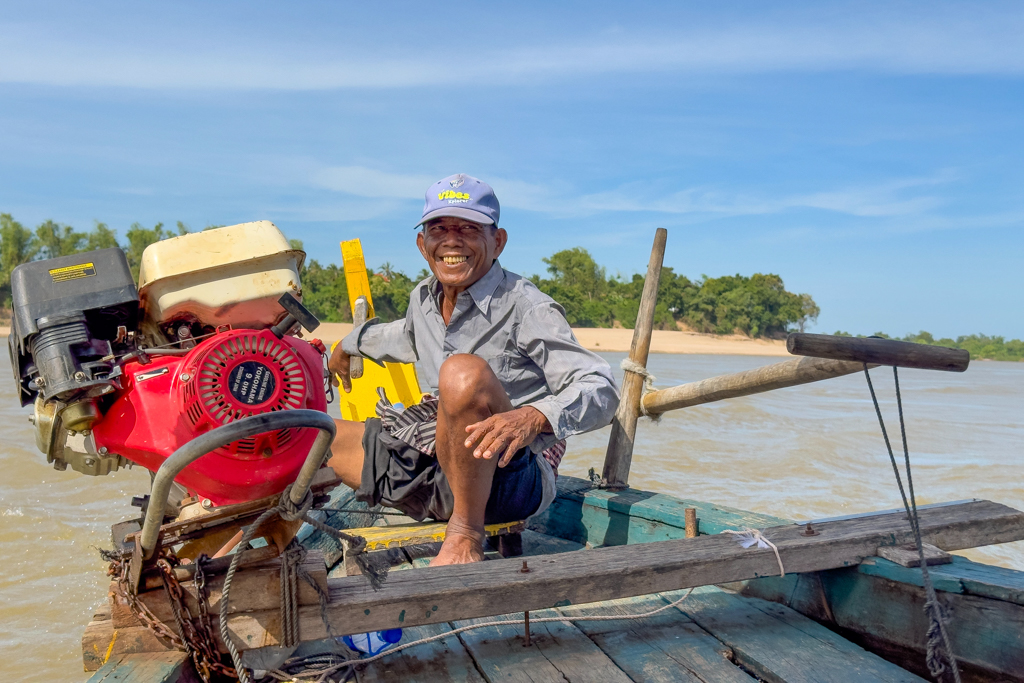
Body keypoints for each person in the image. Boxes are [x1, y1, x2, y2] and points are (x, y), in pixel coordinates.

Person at [326, 173, 618, 565]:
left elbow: (600, 387)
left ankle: (465, 535)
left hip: (509, 482)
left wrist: (533, 417)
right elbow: (400, 337)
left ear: (497, 242)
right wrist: (346, 345)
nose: (452, 240)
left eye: (468, 228)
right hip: (438, 463)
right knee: (311, 436)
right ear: (422, 243)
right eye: (439, 229)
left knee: (461, 374)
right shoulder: (422, 299)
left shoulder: (527, 307)